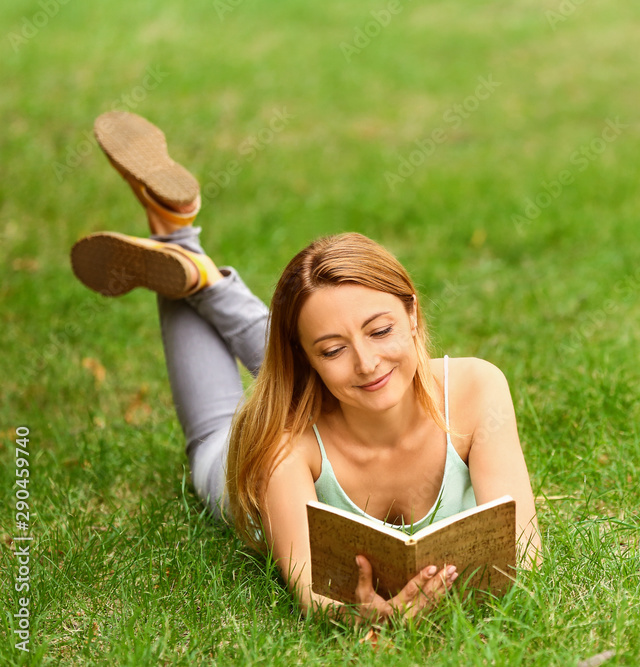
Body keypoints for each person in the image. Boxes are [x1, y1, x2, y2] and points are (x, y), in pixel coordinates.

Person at [71, 111, 541, 624]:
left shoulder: (476, 388)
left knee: (345, 347)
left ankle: (188, 252)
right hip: (246, 454)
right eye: (332, 351)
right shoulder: (277, 441)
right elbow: (311, 590)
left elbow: (525, 551)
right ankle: (182, 253)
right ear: (306, 360)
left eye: (381, 330)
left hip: (325, 398)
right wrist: (362, 616)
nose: (367, 362)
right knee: (211, 432)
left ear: (412, 314)